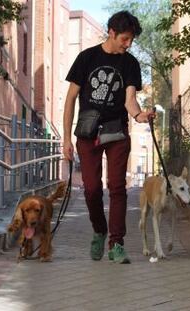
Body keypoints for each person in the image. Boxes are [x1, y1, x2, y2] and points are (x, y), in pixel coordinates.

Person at [62, 11, 155, 263]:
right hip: (87, 131)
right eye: (125, 39)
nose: (128, 44)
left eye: (131, 40)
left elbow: (130, 100)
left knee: (117, 187)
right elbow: (70, 98)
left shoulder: (131, 63)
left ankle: (116, 244)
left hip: (117, 130)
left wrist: (139, 116)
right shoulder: (87, 58)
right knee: (91, 190)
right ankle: (100, 231)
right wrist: (66, 139)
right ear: (111, 32)